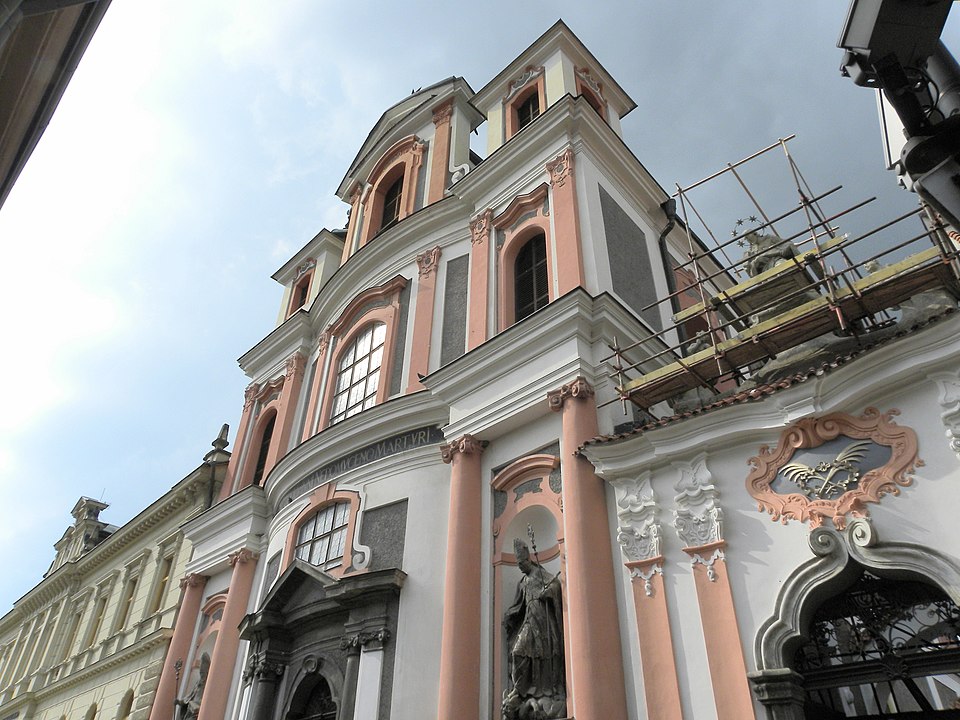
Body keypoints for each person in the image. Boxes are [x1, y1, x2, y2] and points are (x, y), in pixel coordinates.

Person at [502, 539, 565, 719]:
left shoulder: (539, 574)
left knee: (544, 654)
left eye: (521, 563)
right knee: (518, 651)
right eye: (518, 564)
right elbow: (519, 604)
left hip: (543, 621)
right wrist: (510, 615)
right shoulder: (522, 582)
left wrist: (548, 593)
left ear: (528, 560)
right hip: (529, 620)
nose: (520, 567)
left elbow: (555, 585)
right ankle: (520, 689)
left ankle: (544, 687)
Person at [176, 653, 209, 720]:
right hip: (192, 708)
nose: (201, 669)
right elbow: (190, 695)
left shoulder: (206, 681)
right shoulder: (198, 682)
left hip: (197, 708)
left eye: (202, 667)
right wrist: (179, 702)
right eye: (201, 667)